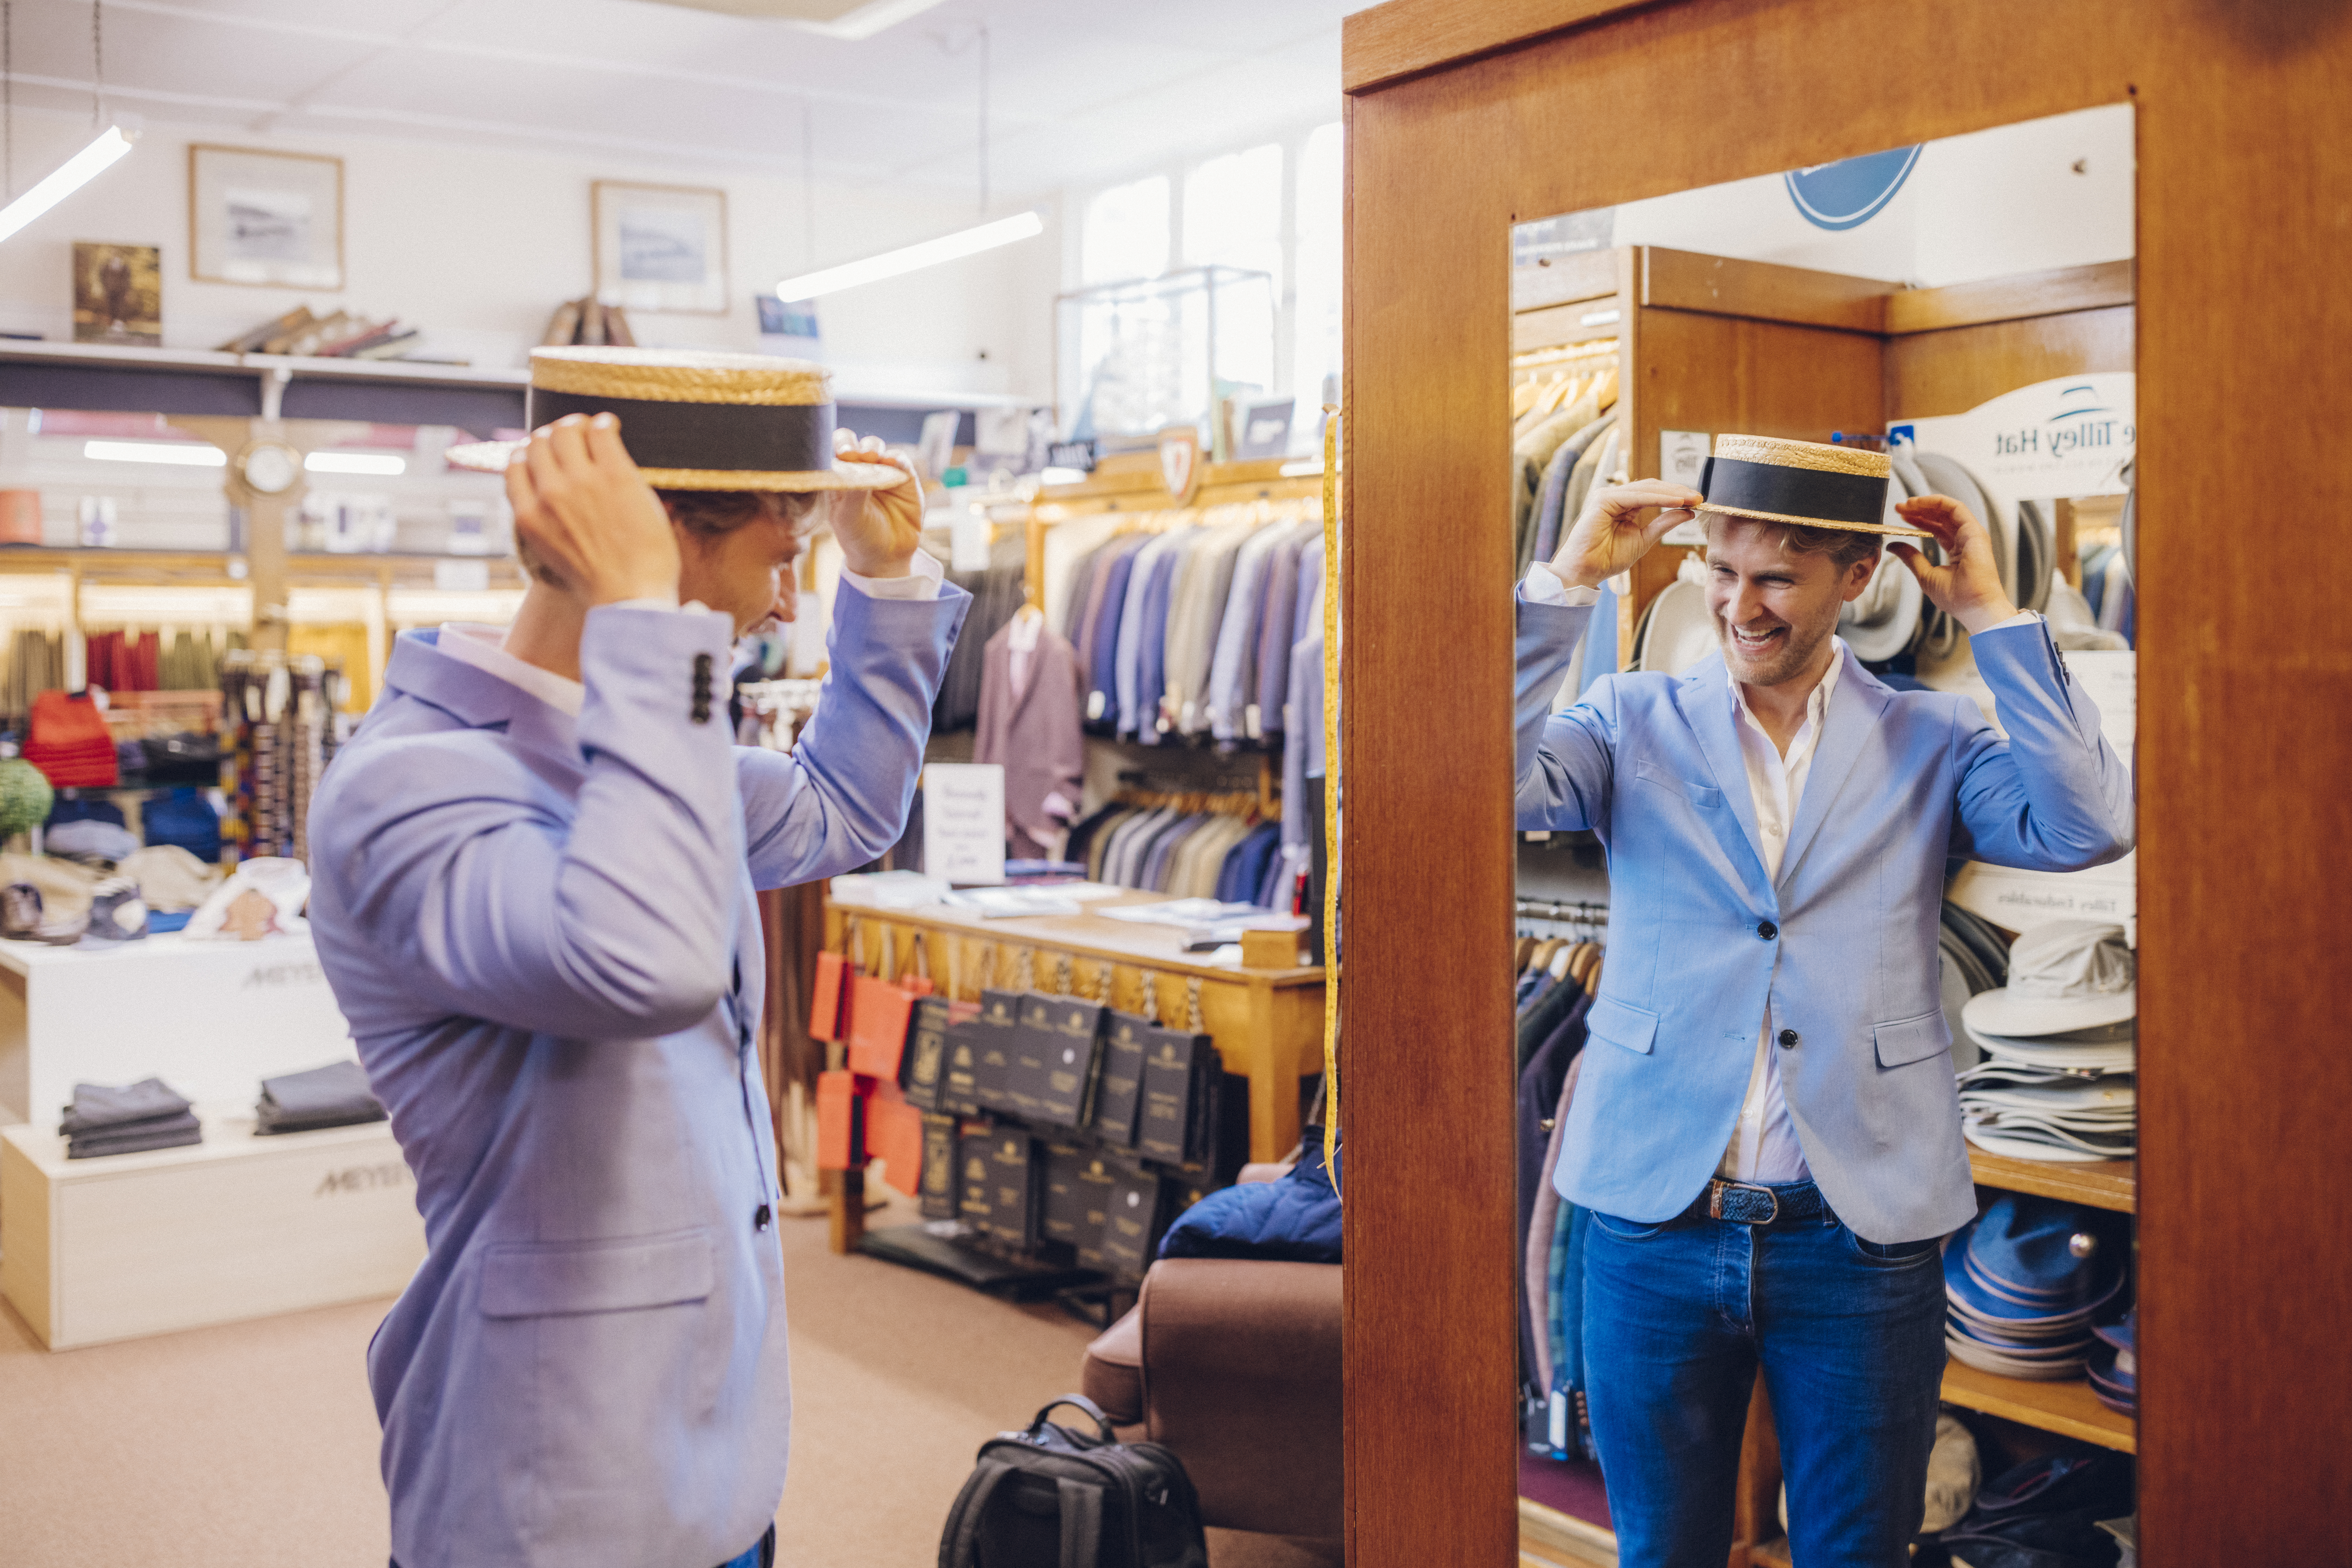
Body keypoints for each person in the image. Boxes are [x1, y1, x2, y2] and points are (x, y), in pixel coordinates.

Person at [306, 348, 971, 1568]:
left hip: (714, 1448)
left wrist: (883, 582)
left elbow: (838, 810)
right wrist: (648, 623)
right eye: (781, 562)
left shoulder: (662, 751)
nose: (785, 606)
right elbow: (643, 963)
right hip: (557, 1484)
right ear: (653, 541)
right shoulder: (412, 789)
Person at [1513, 436, 2133, 1568]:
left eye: (1776, 578)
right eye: (1721, 573)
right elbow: (1487, 785)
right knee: (1662, 1552)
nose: (1738, 605)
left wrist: (1993, 608)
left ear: (1859, 579)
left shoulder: (1932, 736)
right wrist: (1568, 579)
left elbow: (2088, 820)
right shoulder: (1627, 716)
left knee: (1858, 1550)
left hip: (1862, 1232)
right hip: (1653, 1214)